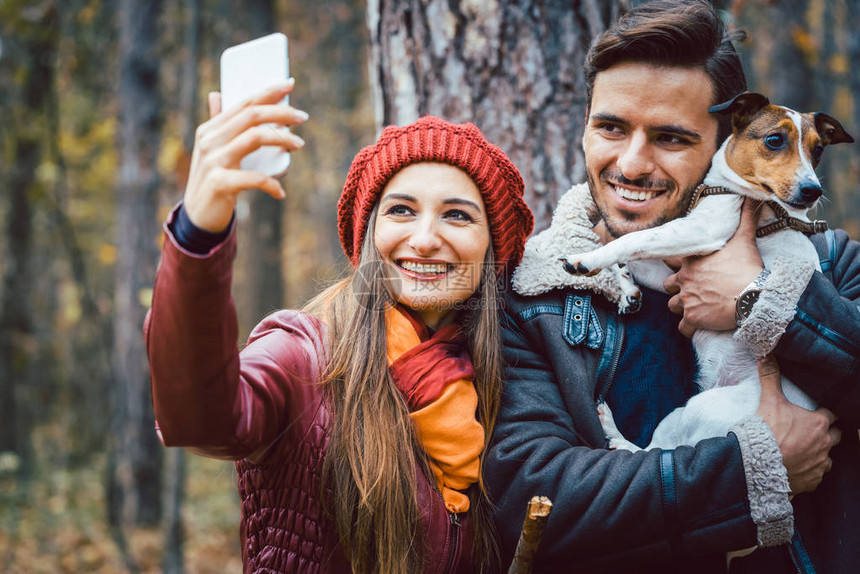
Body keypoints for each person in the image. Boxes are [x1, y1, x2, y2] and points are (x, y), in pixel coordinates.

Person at [484, 1, 860, 572]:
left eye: (671, 137)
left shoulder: (831, 267)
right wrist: (745, 470)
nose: (632, 165)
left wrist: (764, 298)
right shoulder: (537, 295)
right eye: (610, 127)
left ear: (724, 145)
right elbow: (531, 500)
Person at [144, 79, 534, 573]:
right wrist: (198, 232)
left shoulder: (513, 378)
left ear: (492, 253)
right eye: (401, 210)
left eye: (457, 216)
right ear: (369, 235)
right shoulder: (302, 357)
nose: (426, 238)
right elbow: (199, 419)